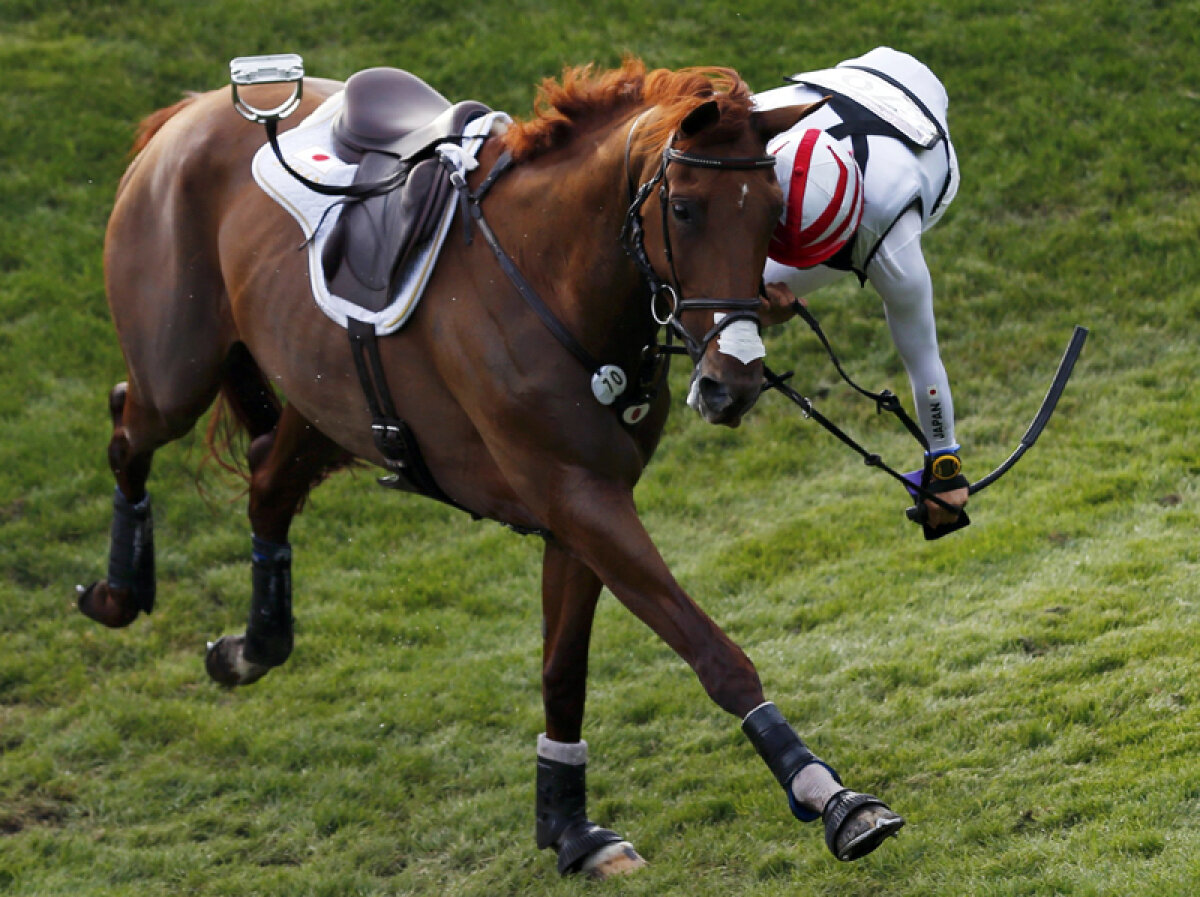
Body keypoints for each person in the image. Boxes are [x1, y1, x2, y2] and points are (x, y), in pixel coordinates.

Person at [751, 47, 969, 530]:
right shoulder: (756, 129)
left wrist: (944, 464)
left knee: (746, 299)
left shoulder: (891, 235)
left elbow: (923, 356)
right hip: (850, 78)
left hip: (909, 137)